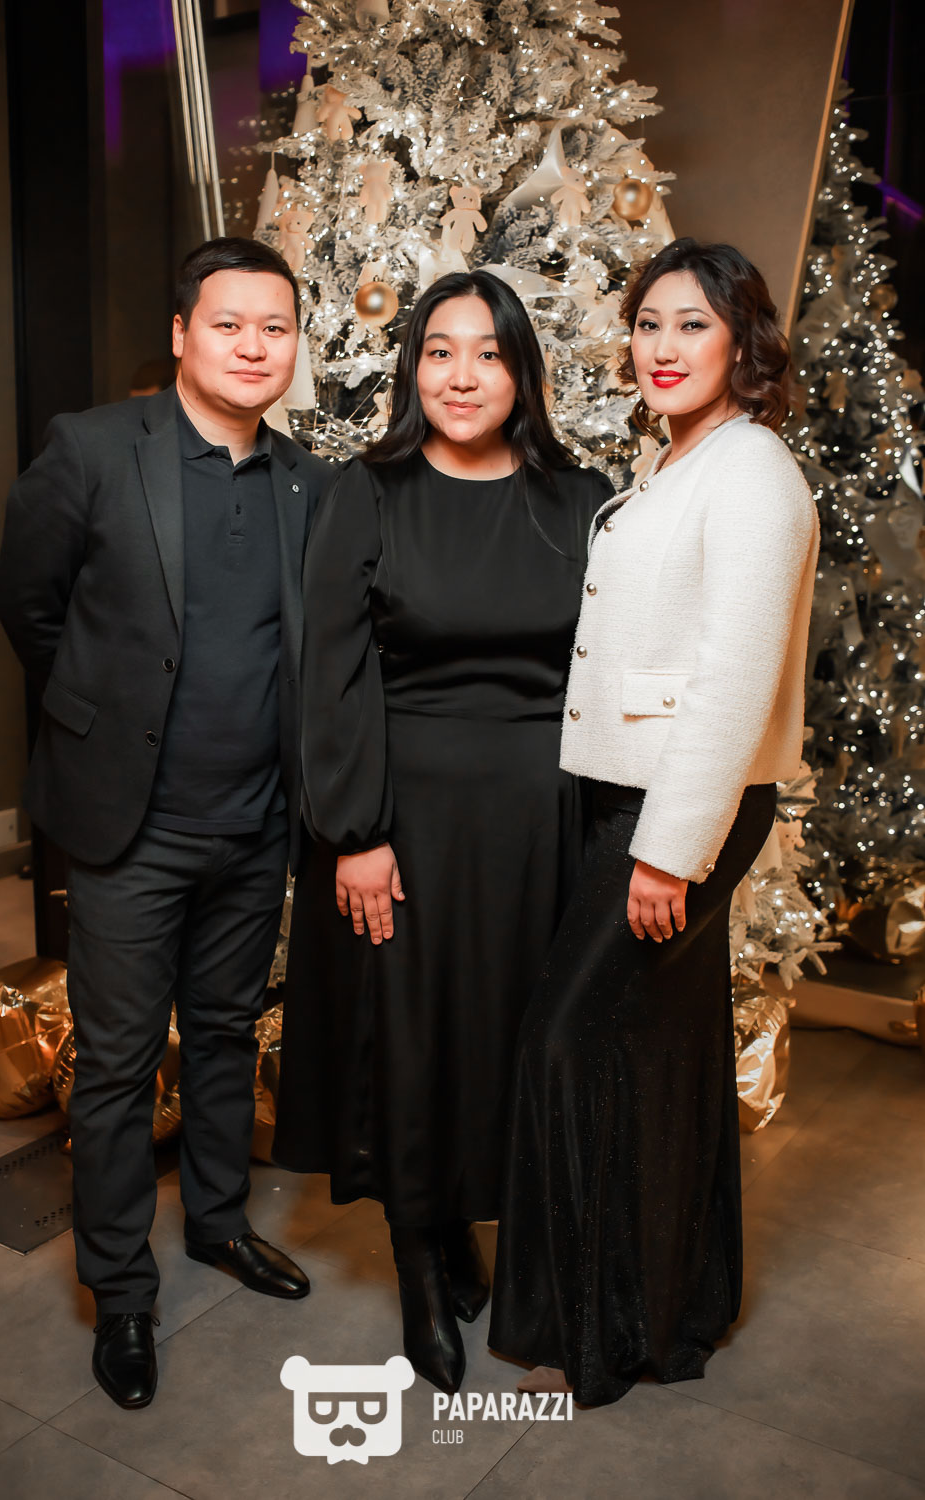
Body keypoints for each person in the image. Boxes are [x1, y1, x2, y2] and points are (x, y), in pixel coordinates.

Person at [0, 237, 332, 1410]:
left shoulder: (308, 484)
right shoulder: (94, 448)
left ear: (293, 346)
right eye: (228, 324)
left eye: (275, 328)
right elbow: (30, 608)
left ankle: (220, 1223)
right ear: (183, 333)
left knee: (228, 1034)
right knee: (118, 1064)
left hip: (255, 826)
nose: (253, 346)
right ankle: (121, 1292)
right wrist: (103, 721)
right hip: (128, 829)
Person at [489, 239, 819, 1405]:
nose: (661, 347)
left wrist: (666, 853)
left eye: (690, 324)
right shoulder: (677, 460)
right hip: (628, 791)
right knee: (658, 1050)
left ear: (740, 341)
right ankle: (669, 1312)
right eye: (646, 324)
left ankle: (590, 1332)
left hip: (674, 807)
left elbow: (731, 682)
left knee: (567, 1041)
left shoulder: (751, 474)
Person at [273, 270, 612, 1394]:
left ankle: (467, 1219)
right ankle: (419, 1256)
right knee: (412, 1038)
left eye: (488, 353)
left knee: (504, 1034)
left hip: (541, 821)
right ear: (412, 368)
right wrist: (356, 832)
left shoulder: (580, 498)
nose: (461, 377)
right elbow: (331, 672)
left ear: (522, 372)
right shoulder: (366, 493)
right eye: (438, 351)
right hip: (405, 820)